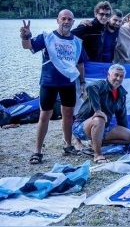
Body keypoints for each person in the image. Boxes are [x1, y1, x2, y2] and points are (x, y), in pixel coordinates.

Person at [21, 9, 88, 164]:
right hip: (48, 82)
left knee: (68, 115)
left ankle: (68, 145)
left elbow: (80, 64)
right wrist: (25, 36)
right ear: (58, 20)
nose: (66, 21)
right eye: (63, 18)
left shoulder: (77, 42)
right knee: (44, 116)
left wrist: (83, 81)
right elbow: (28, 46)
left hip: (68, 83)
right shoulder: (47, 37)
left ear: (73, 22)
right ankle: (37, 151)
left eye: (69, 19)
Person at [72, 64, 130, 164]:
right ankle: (97, 154)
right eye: (116, 75)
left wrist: (125, 134)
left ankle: (95, 142)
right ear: (108, 75)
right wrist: (97, 110)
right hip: (81, 125)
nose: (118, 78)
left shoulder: (121, 94)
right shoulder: (101, 84)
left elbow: (122, 117)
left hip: (104, 126)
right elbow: (90, 87)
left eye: (121, 76)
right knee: (99, 118)